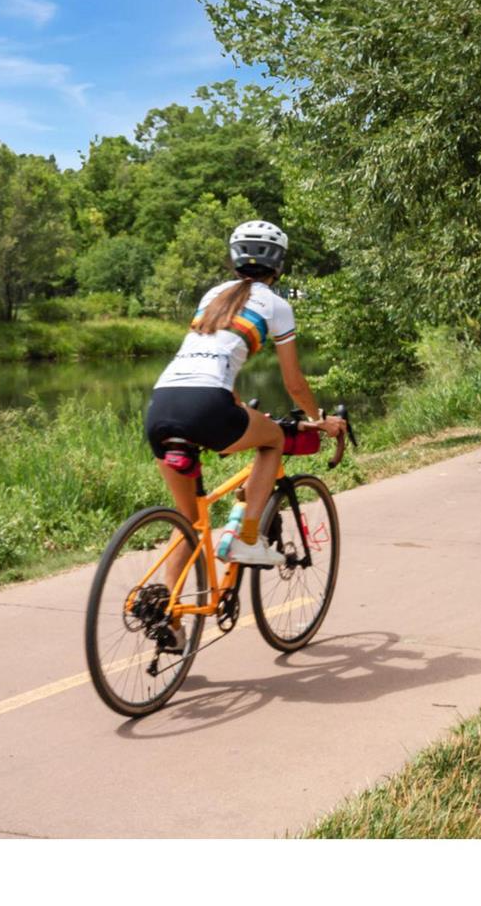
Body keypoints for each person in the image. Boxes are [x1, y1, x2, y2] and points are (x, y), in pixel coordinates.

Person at [143, 220, 345, 646]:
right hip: (206, 404)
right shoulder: (275, 304)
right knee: (272, 439)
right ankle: (246, 539)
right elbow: (293, 382)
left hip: (161, 403)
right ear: (279, 264)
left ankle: (169, 619)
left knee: (189, 521)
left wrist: (234, 403)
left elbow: (210, 359)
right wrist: (320, 418)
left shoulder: (214, 296)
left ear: (235, 259)